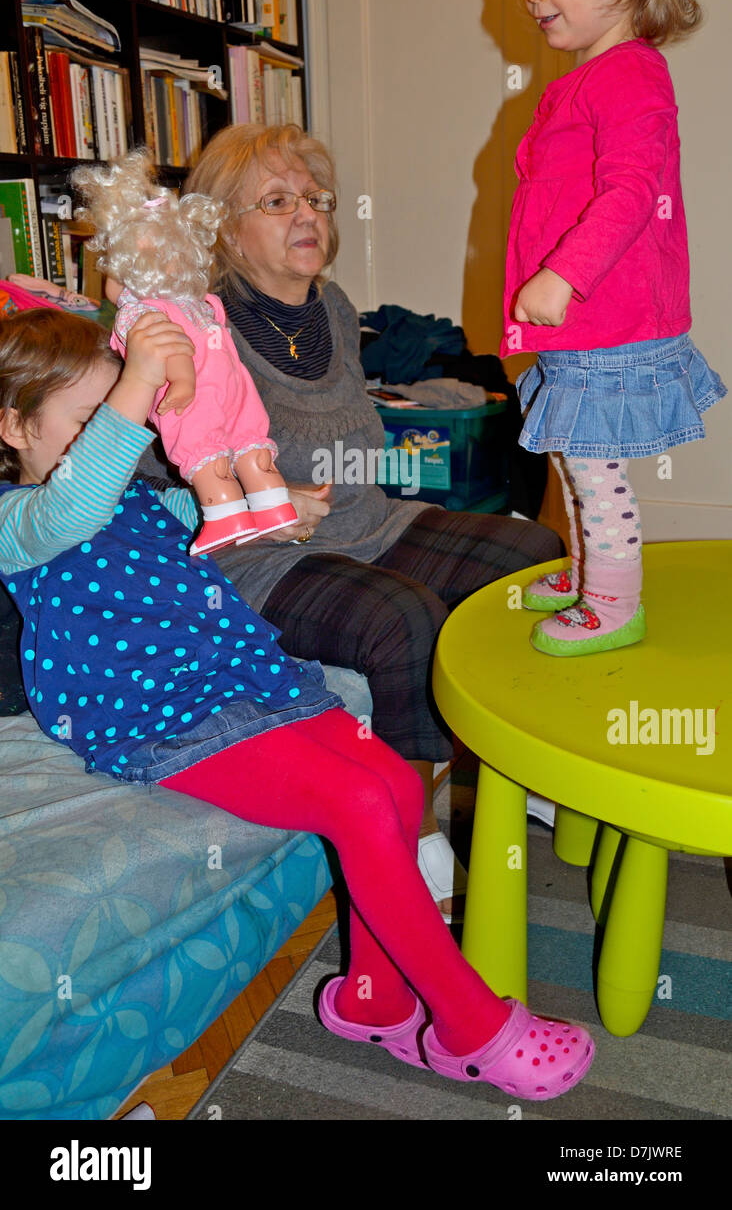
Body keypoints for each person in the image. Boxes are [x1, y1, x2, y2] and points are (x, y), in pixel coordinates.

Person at [0, 307, 594, 1100]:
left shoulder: (134, 503)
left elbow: (210, 522)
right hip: (156, 719)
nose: (119, 439)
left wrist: (280, 514)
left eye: (125, 418)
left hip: (240, 678)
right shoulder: (19, 518)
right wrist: (139, 381)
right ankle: (472, 1027)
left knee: (396, 782)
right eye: (93, 420)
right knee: (353, 801)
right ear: (12, 426)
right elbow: (74, 504)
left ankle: (375, 999)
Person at [180, 124, 564, 917]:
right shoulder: (197, 329)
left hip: (369, 520)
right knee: (401, 617)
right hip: (262, 556)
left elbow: (357, 441)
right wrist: (268, 492)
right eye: (277, 201)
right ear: (223, 223)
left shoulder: (333, 304)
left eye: (315, 198)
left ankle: (517, 770)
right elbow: (159, 465)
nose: (307, 216)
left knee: (533, 555)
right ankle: (409, 835)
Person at [500, 0, 726, 656]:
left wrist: (564, 273)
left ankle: (616, 602)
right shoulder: (586, 79)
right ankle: (591, 565)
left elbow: (631, 192)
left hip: (609, 319)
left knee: (595, 469)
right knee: (570, 451)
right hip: (582, 324)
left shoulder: (630, 74)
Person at [72, 151, 298, 556]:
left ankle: (224, 517)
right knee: (249, 444)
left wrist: (182, 379)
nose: (109, 287)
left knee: (206, 455)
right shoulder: (205, 302)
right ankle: (274, 505)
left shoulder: (142, 311)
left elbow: (173, 348)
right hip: (237, 389)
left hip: (193, 392)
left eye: (113, 274)